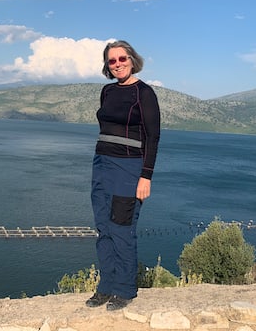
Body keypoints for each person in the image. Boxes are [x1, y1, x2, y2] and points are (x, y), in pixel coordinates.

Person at [86, 40, 161, 311]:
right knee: (103, 228)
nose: (117, 64)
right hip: (102, 164)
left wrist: (146, 176)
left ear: (132, 60)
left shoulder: (145, 93)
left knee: (121, 228)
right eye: (112, 61)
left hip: (129, 169)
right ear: (107, 65)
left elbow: (153, 137)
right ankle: (105, 287)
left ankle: (125, 289)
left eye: (122, 59)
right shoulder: (107, 92)